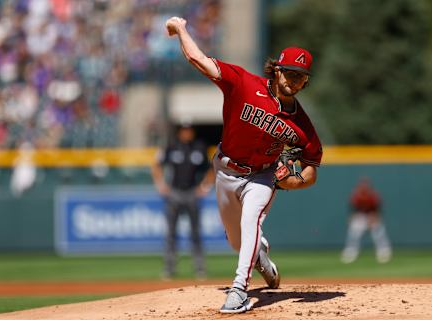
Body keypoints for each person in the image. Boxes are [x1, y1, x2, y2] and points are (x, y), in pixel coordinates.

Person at [165, 17, 323, 314]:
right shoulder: (243, 83)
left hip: (263, 176)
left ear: (306, 81)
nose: (293, 80)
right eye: (289, 72)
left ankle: (239, 290)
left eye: (300, 76)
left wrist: (295, 181)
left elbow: (312, 167)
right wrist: (182, 29)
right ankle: (259, 253)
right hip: (225, 170)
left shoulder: (302, 126)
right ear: (276, 70)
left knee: (252, 218)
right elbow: (198, 60)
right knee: (237, 241)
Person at [151, 123, 214, 279]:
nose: (187, 133)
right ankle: (169, 268)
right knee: (171, 233)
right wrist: (160, 184)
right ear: (180, 132)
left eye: (189, 130)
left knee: (195, 232)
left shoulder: (199, 147)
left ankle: (199, 268)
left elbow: (212, 168)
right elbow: (156, 164)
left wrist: (205, 186)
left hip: (192, 192)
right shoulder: (171, 147)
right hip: (175, 192)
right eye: (184, 130)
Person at [341, 177, 392, 264]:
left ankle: (383, 251)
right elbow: (353, 209)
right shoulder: (356, 196)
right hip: (361, 217)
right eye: (362, 187)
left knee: (378, 231)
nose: (363, 189)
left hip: (371, 216)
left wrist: (373, 219)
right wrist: (352, 218)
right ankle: (351, 251)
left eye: (365, 187)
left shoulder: (373, 196)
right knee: (354, 230)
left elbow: (377, 210)